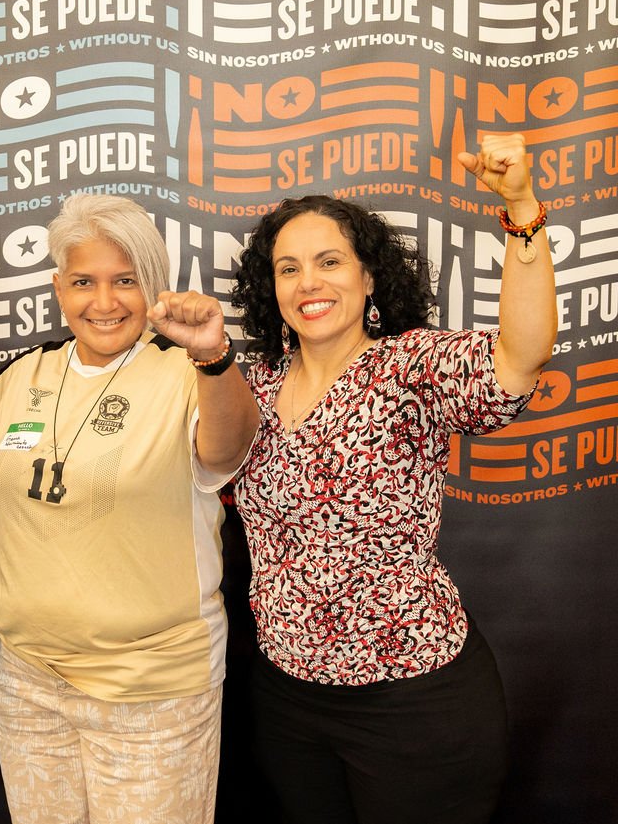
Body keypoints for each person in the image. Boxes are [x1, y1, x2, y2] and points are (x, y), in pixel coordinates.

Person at [214, 133, 557, 824]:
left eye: (329, 262)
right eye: (288, 268)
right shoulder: (251, 386)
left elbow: (520, 357)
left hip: (414, 706)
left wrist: (522, 211)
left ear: (369, 277)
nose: (308, 283)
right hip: (287, 703)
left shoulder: (409, 368)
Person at [0, 192, 260, 824]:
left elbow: (229, 448)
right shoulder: (23, 377)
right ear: (59, 288)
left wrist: (213, 356)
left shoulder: (186, 374)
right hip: (27, 679)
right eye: (84, 281)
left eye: (126, 281)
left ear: (154, 287)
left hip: (151, 690)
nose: (104, 302)